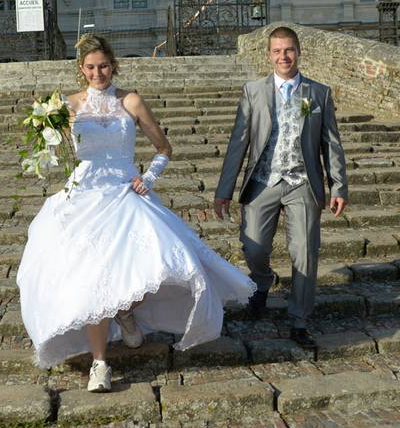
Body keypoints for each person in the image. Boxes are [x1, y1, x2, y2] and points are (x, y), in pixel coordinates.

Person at [17, 34, 255, 392]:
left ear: (113, 65)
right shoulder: (66, 105)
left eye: (104, 66)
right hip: (83, 196)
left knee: (160, 264)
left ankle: (125, 310)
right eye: (91, 67)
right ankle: (100, 364)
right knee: (90, 277)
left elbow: (163, 148)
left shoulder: (130, 101)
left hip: (125, 192)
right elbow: (54, 147)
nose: (98, 73)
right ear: (81, 70)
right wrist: (45, 139)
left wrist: (149, 177)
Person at [213, 26, 348, 349]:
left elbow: (331, 144)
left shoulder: (319, 93)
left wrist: (338, 186)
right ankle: (261, 280)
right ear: (269, 55)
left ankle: (299, 319)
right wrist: (224, 189)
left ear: (298, 52)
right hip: (263, 180)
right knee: (254, 247)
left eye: (288, 50)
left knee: (304, 251)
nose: (283, 56)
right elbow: (239, 142)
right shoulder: (253, 91)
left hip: (303, 182)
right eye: (277, 51)